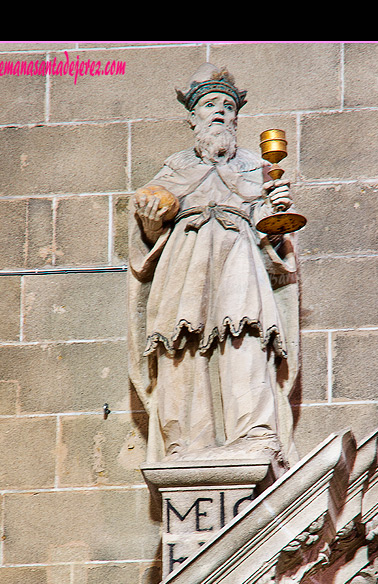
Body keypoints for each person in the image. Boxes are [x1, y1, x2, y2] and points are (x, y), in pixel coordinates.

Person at [127, 64, 300, 476]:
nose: (219, 112)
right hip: (185, 261)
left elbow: (274, 240)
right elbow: (147, 237)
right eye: (209, 105)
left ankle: (254, 432)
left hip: (239, 253)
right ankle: (186, 438)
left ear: (236, 117)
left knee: (245, 333)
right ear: (193, 118)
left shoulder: (257, 171)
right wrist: (151, 219)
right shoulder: (172, 172)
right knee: (180, 340)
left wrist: (276, 211)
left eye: (227, 105)